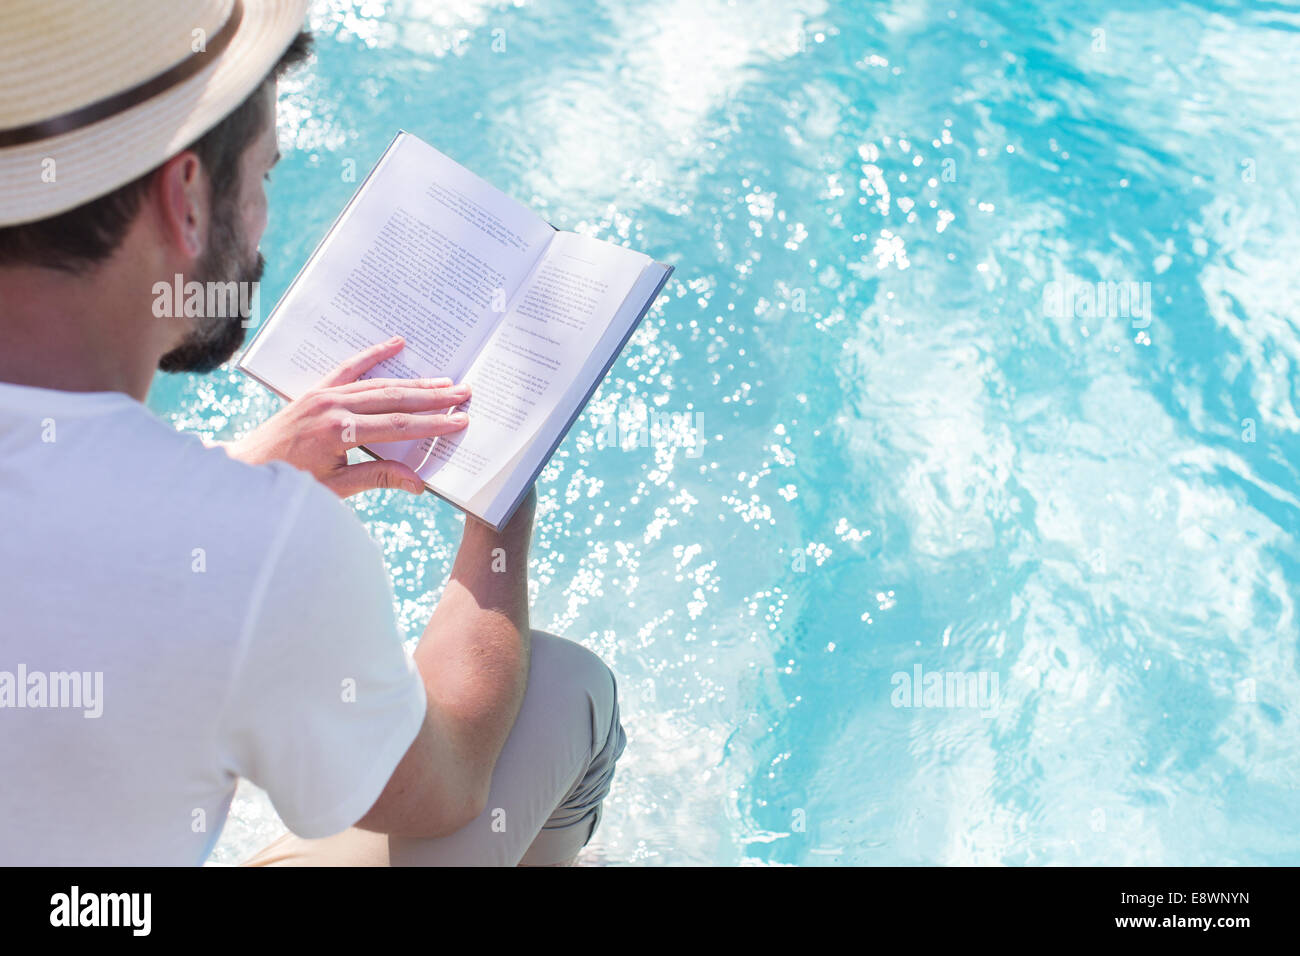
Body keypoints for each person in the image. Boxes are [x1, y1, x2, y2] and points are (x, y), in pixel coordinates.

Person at [0, 0, 626, 866]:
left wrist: (237, 472)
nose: (258, 221)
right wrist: (502, 495)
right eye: (262, 178)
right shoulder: (258, 547)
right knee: (562, 690)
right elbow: (443, 788)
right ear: (185, 198)